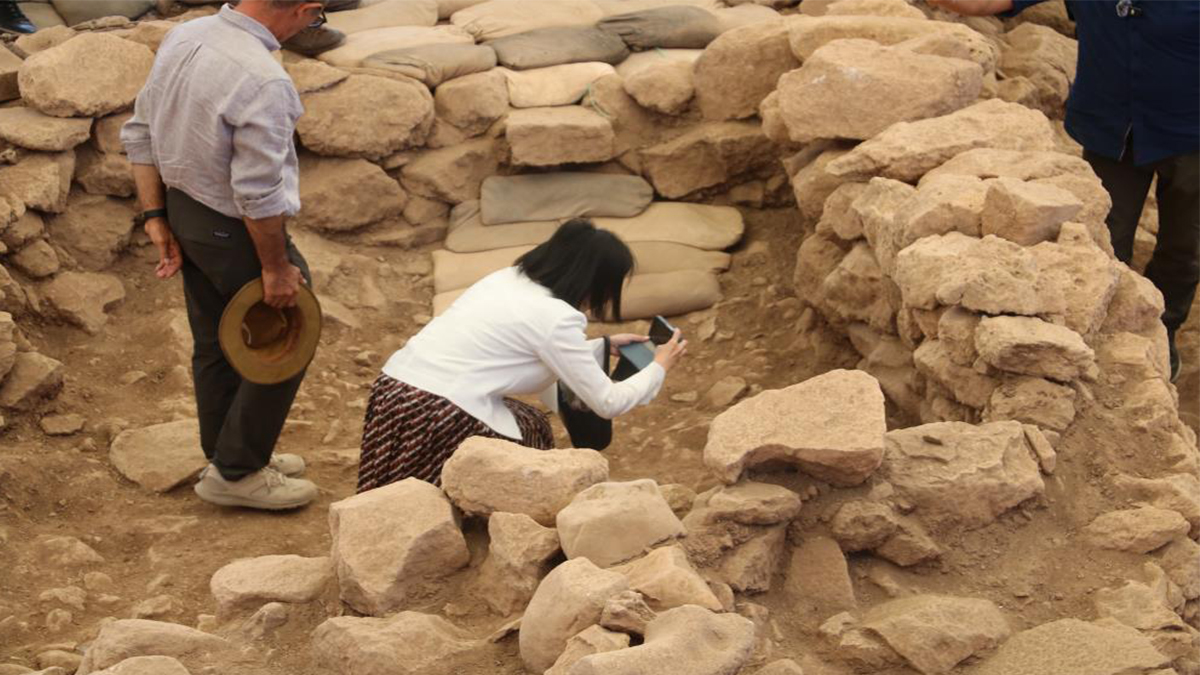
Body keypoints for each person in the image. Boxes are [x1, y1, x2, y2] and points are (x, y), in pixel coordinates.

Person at [121, 0, 327, 510]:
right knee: (286, 339)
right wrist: (277, 268)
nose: (311, 27)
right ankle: (237, 472)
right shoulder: (264, 79)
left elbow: (140, 129)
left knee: (217, 341)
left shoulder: (188, 35)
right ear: (306, 9)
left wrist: (156, 216)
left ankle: (227, 454)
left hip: (185, 210)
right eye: (316, 18)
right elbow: (258, 193)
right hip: (234, 228)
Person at [929, 0, 1199, 382]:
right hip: (1110, 131)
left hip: (1192, 138)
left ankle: (1165, 327)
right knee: (1103, 244)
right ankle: (1114, 337)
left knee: (1185, 250)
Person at [356, 219, 688, 492]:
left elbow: (514, 349)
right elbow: (608, 401)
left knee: (525, 421)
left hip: (394, 393)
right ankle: (499, 520)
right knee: (529, 438)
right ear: (594, 282)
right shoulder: (556, 317)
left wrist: (600, 346)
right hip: (439, 413)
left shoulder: (506, 279)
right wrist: (658, 365)